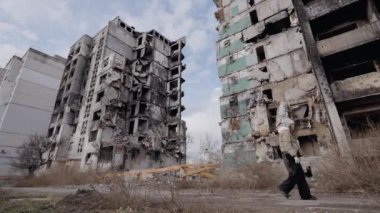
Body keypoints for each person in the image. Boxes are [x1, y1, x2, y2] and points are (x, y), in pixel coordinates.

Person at [277, 107, 316, 200]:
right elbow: (287, 145)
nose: (294, 126)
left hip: (292, 155)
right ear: (288, 125)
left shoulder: (290, 134)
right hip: (289, 155)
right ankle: (284, 188)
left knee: (300, 175)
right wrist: (294, 156)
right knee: (295, 174)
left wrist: (301, 154)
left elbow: (295, 146)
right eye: (292, 124)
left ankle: (306, 196)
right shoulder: (285, 132)